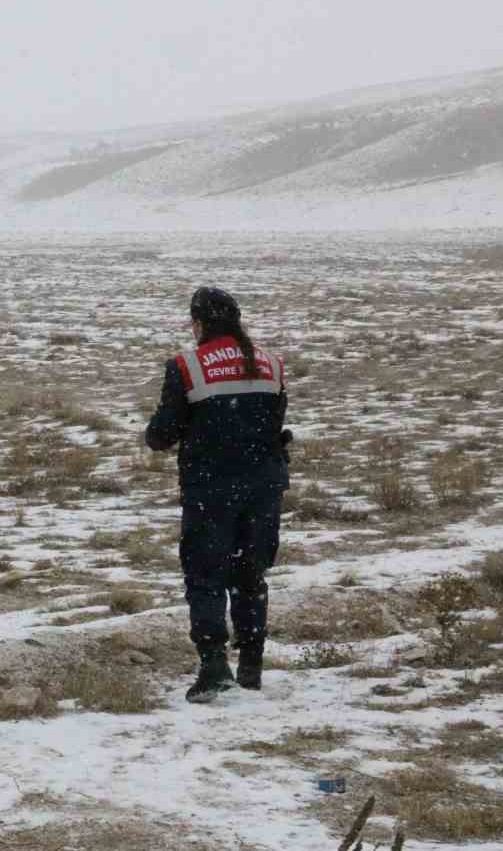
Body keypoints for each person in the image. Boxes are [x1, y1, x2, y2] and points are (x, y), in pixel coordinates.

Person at [146, 286, 290, 703]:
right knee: (251, 574)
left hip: (211, 486)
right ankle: (251, 666)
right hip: (264, 484)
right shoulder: (270, 364)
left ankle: (213, 665)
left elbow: (163, 434)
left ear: (199, 323)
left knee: (206, 576)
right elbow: (276, 420)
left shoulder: (187, 366)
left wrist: (156, 434)